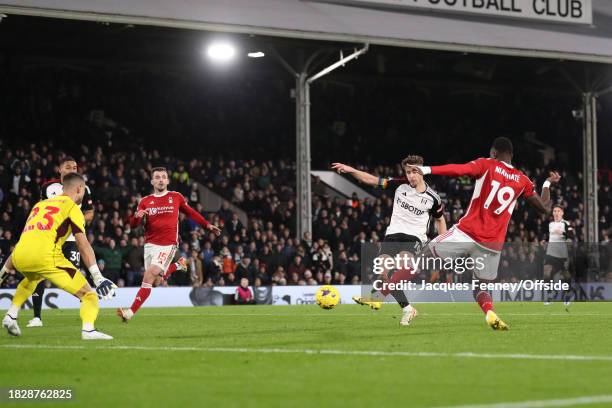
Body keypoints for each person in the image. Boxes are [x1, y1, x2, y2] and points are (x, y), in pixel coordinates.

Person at [411, 137, 560, 330]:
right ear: (511, 155)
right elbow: (545, 208)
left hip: (467, 233)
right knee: (481, 288)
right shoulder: (522, 180)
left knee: (425, 254)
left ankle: (386, 288)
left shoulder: (487, 164)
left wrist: (427, 170)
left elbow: (459, 170)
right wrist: (547, 183)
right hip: (492, 244)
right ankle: (490, 312)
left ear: (494, 152)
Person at [332, 155, 446, 325]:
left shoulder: (433, 197)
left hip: (414, 236)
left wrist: (442, 242)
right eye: (408, 172)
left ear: (422, 171)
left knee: (403, 267)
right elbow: (371, 180)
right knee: (385, 274)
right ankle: (408, 309)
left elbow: (440, 219)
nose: (411, 176)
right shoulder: (399, 186)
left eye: (414, 172)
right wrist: (351, 170)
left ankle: (377, 297)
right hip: (393, 234)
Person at [0, 173, 115, 340]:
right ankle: (89, 330)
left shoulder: (39, 205)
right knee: (89, 295)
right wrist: (98, 276)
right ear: (79, 189)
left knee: (32, 279)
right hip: (46, 257)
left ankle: (11, 315)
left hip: (19, 255)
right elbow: (82, 244)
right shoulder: (72, 207)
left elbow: (27, 238)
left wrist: (2, 272)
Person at [117, 167, 221, 322]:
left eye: (163, 177)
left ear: (167, 180)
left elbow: (191, 212)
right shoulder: (145, 201)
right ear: (152, 181)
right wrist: (137, 217)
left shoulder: (175, 197)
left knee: (149, 273)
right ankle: (178, 265)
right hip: (150, 245)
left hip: (168, 245)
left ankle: (129, 313)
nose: (160, 179)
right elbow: (133, 225)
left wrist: (207, 225)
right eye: (157, 177)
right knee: (156, 281)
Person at [28, 156, 94, 328]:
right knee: (39, 275)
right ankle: (36, 317)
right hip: (50, 239)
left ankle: (87, 318)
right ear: (60, 169)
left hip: (72, 239)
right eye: (68, 167)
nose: (72, 169)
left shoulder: (83, 188)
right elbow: (42, 211)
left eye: (75, 166)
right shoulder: (48, 187)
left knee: (75, 276)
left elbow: (90, 213)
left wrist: (75, 222)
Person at [543, 205, 574, 306]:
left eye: (558, 211)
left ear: (562, 213)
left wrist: (563, 234)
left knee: (566, 275)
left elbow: (571, 236)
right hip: (550, 253)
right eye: (554, 211)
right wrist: (545, 241)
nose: (556, 213)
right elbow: (550, 237)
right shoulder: (550, 224)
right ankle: (551, 293)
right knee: (546, 273)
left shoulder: (566, 224)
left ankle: (568, 293)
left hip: (562, 254)